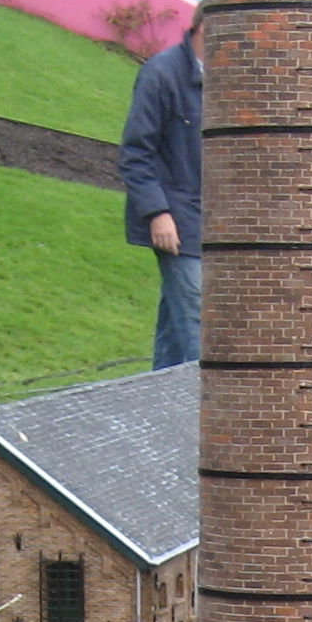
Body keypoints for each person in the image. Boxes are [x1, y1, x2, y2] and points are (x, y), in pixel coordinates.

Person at [120, 20, 203, 370]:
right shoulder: (161, 75)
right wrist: (157, 212)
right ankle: (214, 409)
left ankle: (161, 401)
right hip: (177, 221)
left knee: (175, 326)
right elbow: (136, 152)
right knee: (203, 325)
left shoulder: (231, 77)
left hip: (212, 223)